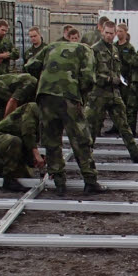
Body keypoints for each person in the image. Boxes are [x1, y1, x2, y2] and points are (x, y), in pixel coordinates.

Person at [23, 37, 104, 195]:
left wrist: (44, 79)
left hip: (45, 96)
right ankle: (90, 181)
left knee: (51, 139)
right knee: (80, 139)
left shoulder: (51, 45)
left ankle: (59, 183)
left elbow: (30, 65)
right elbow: (88, 78)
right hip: (69, 96)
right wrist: (81, 96)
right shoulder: (86, 50)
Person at [86, 21, 138, 164]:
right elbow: (91, 74)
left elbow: (117, 70)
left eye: (111, 33)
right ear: (102, 32)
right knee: (92, 127)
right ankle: (86, 158)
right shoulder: (94, 50)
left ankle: (136, 155)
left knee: (124, 125)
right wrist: (109, 79)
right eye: (107, 33)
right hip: (98, 95)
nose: (109, 36)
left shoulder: (115, 50)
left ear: (115, 33)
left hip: (114, 94)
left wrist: (119, 80)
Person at [0, 102, 44, 192]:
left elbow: (29, 143)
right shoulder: (32, 108)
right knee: (14, 141)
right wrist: (36, 154)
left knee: (23, 175)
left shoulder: (46, 116)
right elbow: (27, 133)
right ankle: (8, 180)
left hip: (14, 145)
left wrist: (34, 160)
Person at [111, 23, 136, 135]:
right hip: (115, 78)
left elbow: (132, 63)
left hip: (125, 80)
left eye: (121, 31)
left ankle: (125, 126)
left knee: (125, 104)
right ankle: (115, 126)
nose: (119, 33)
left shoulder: (129, 48)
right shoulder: (114, 46)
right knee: (114, 104)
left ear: (126, 32)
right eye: (117, 31)